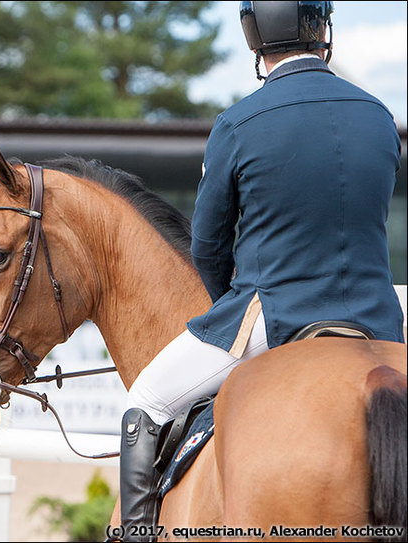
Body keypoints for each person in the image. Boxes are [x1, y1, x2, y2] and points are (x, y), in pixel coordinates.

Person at [117, 2, 405, 540]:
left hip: (273, 315)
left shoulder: (238, 122)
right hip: (379, 320)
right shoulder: (379, 117)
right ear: (323, 29)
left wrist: (229, 303)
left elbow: (207, 244)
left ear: (253, 38)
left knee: (146, 401)